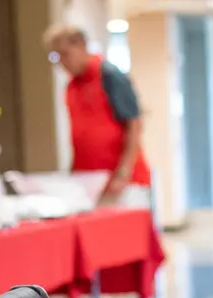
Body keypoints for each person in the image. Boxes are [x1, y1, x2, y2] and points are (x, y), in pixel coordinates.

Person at [43, 25, 151, 209]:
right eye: (55, 57)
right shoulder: (71, 86)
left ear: (82, 45)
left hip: (122, 182)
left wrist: (123, 173)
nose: (62, 62)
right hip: (90, 183)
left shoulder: (109, 75)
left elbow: (134, 124)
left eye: (64, 54)